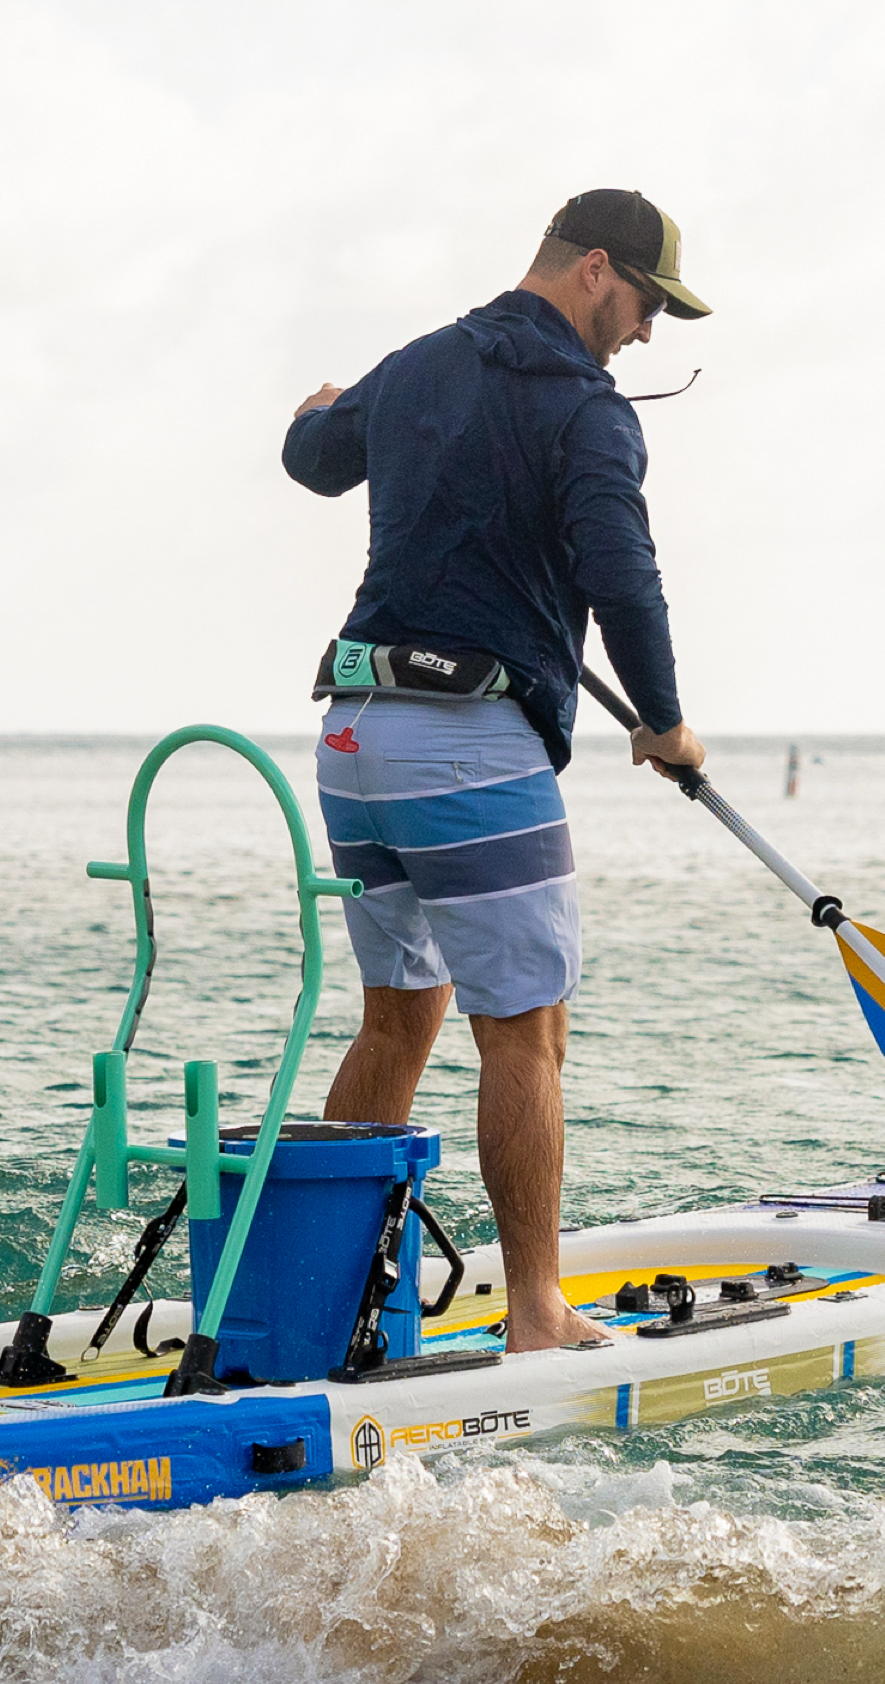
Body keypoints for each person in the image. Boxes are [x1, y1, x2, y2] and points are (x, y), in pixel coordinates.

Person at [282, 189, 710, 1353]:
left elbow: (314, 459)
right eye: (642, 304)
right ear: (590, 270)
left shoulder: (416, 364)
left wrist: (319, 410)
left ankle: (319, 1307)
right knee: (523, 1035)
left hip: (352, 734)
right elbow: (621, 580)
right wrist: (664, 722)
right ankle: (534, 1311)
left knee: (393, 1024)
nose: (643, 334)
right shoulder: (586, 413)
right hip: (465, 742)